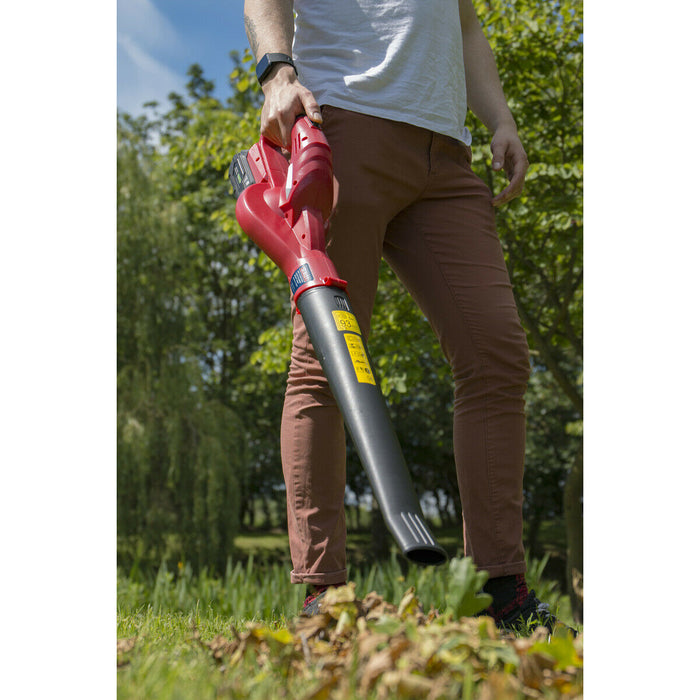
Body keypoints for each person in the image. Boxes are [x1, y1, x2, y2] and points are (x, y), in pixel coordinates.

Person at [243, 0, 563, 631]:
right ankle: (323, 600)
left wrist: (499, 116)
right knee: (325, 361)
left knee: (496, 355)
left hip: (447, 156)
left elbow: (463, 24)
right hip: (342, 126)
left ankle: (499, 593)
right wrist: (277, 72)